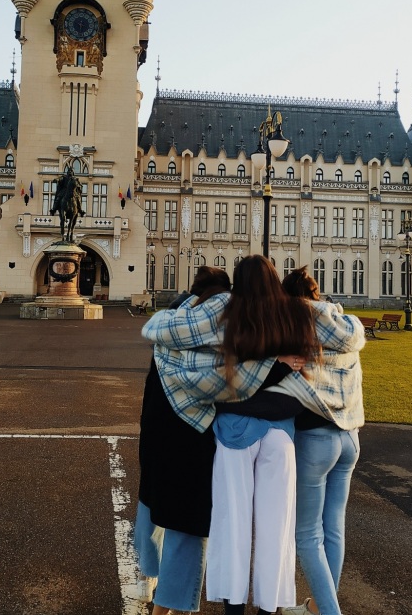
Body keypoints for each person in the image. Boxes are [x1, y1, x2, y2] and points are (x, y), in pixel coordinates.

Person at [144, 255, 363, 615]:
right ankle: (270, 607)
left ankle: (234, 609)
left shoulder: (231, 319)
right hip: (281, 432)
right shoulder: (292, 317)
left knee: (234, 525)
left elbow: (208, 365)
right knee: (278, 529)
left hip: (235, 431)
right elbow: (320, 352)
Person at [132, 266, 231, 615]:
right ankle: (169, 605)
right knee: (187, 523)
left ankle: (148, 576)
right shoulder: (222, 328)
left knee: (151, 502)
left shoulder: (168, 324)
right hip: (195, 435)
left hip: (157, 430)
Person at [277, 267, 366, 615]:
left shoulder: (294, 328)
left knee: (308, 536)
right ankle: (317, 607)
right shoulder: (348, 326)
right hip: (351, 438)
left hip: (316, 437)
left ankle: (329, 612)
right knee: (334, 529)